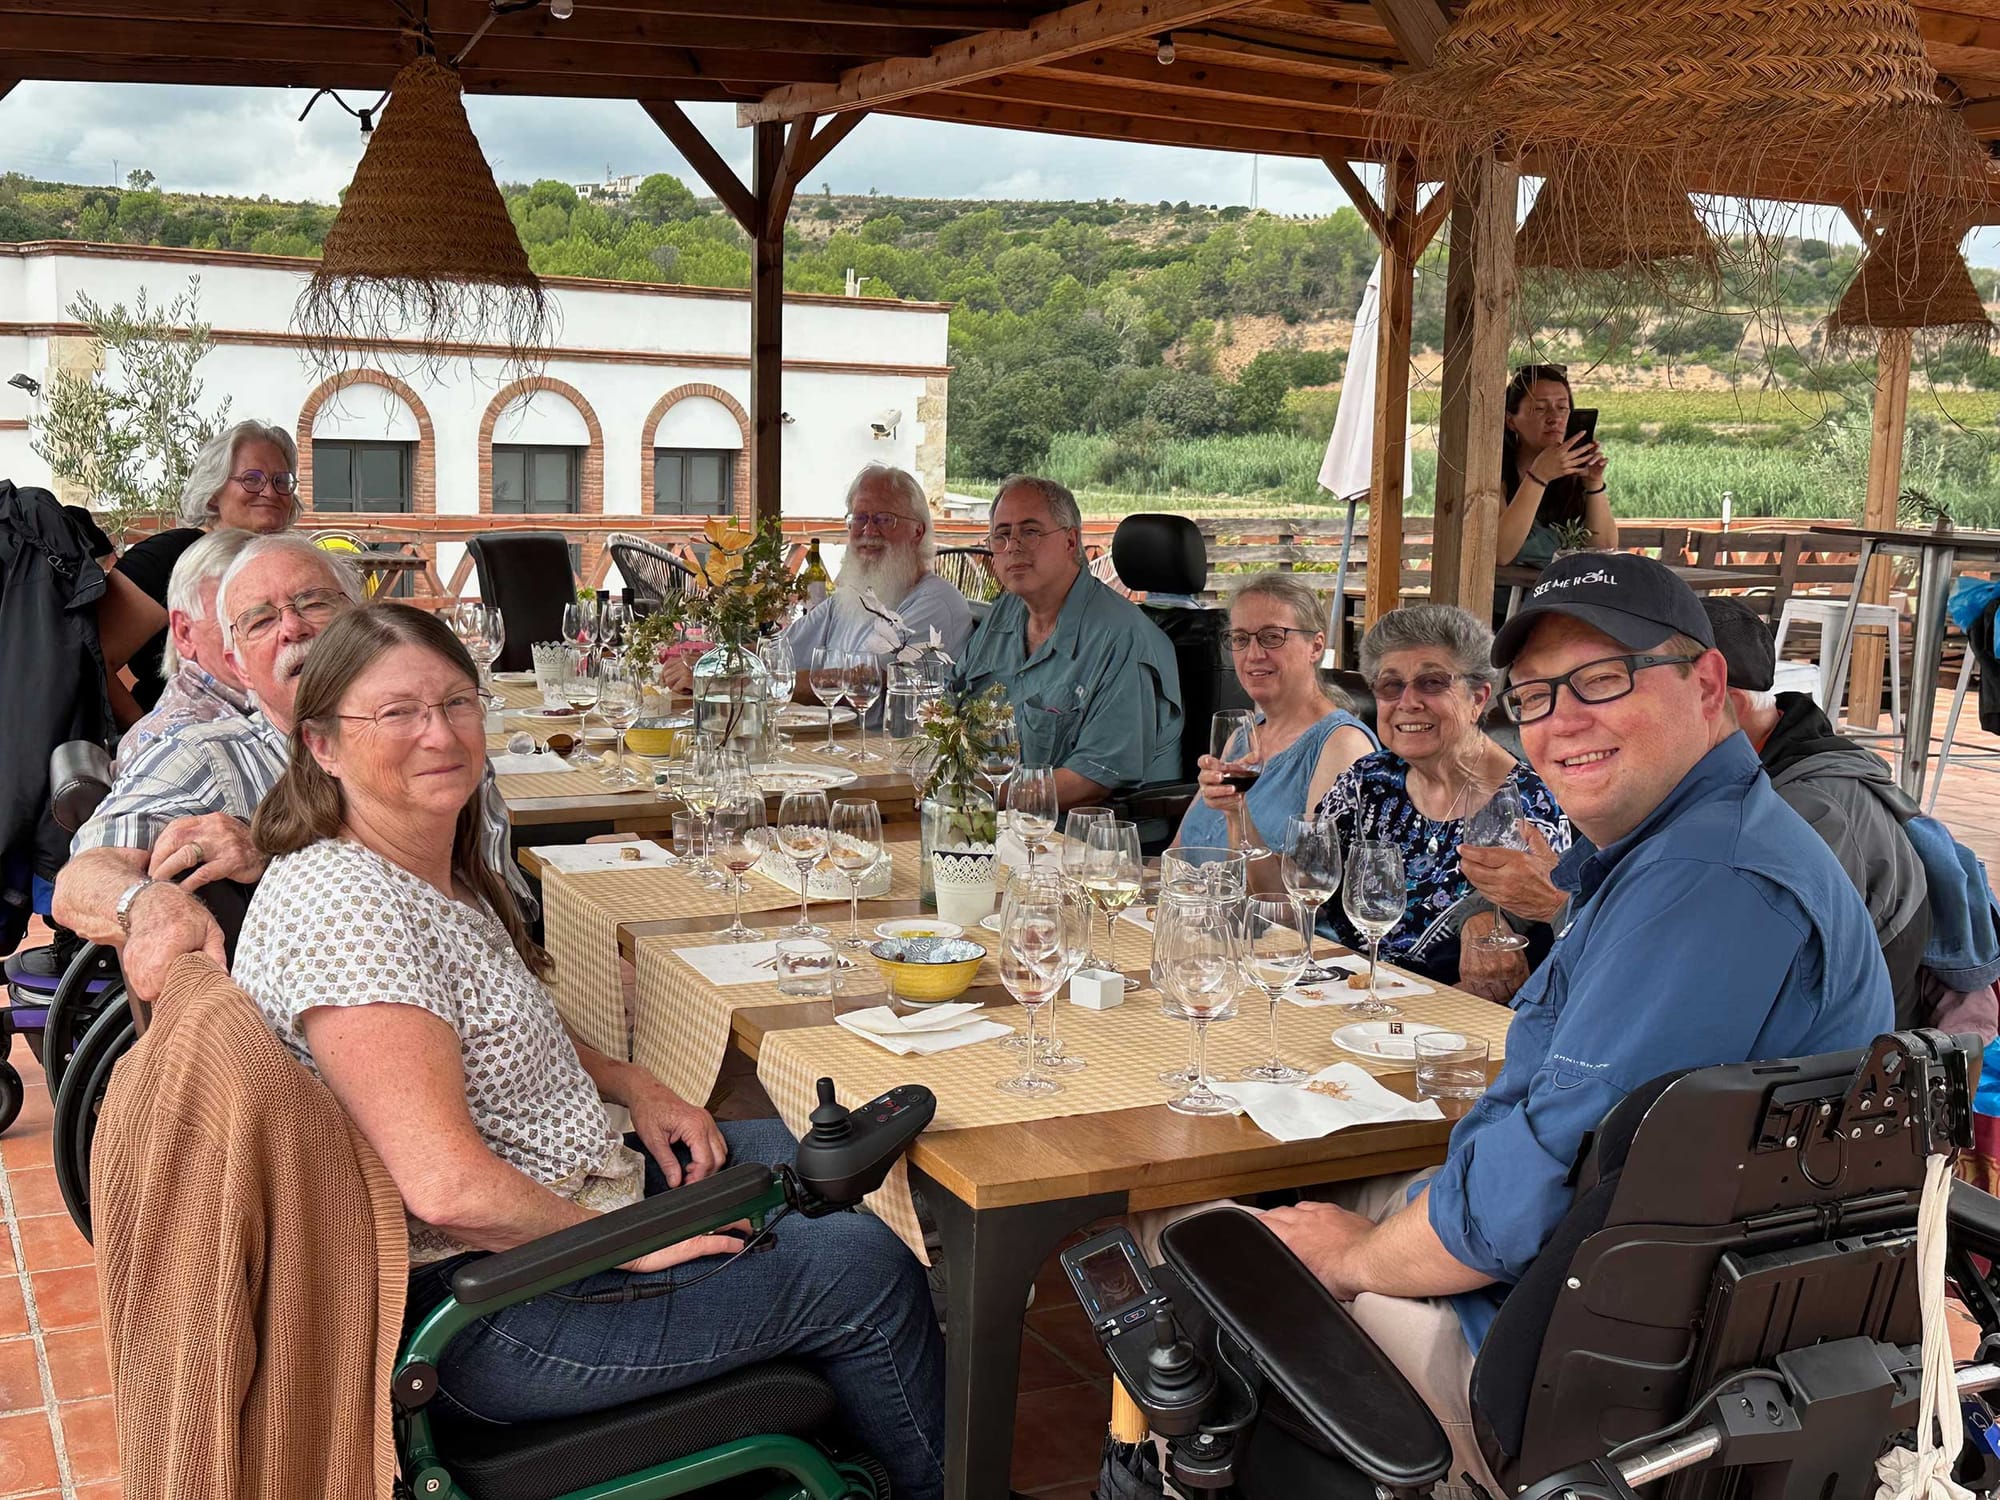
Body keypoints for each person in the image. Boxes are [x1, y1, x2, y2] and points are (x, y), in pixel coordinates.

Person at [232, 605, 945, 1497]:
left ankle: (867, 1426)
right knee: (863, 1271)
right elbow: (445, 1188)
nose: (440, 733)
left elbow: (491, 1015)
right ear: (322, 745)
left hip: (563, 1200)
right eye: (398, 713)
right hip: (489, 1308)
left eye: (457, 702)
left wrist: (633, 1083)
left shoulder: (414, 863)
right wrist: (620, 1241)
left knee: (823, 1162)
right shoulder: (349, 911)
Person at [1261, 553, 1894, 1488]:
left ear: (1708, 683)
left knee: (1199, 1235)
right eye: (1534, 697)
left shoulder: (1710, 885)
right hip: (1647, 1308)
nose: (1562, 722)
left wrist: (1355, 1257)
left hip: (1588, 1377)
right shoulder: (1677, 848)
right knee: (1329, 1193)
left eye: (1602, 679)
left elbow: (1525, 1195)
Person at [54, 535, 533, 1000]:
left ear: (360, 621)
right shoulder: (209, 756)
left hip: (498, 998)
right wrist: (149, 905)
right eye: (260, 621)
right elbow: (85, 873)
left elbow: (506, 911)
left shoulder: (440, 738)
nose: (292, 628)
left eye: (314, 603)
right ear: (237, 665)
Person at [1309, 605, 1568, 993]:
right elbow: (1304, 885)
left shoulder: (1528, 805)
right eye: (1390, 685)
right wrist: (1234, 812)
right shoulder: (1366, 783)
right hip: (1347, 992)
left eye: (1431, 683)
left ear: (1478, 699)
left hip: (1449, 1016)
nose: (1408, 701)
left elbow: (1531, 962)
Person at [1702, 597, 1930, 1022]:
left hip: (1845, 1058)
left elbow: (1747, 979)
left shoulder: (1804, 808)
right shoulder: (1770, 757)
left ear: (1723, 699)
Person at [953, 475, 1183, 806]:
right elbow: (952, 707)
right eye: (1001, 535)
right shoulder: (1005, 612)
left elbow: (1091, 780)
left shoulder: (1122, 639)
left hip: (1085, 838)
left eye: (1030, 532)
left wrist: (978, 797)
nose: (1013, 545)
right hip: (998, 823)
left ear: (1071, 541)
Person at [1180, 572, 1376, 853]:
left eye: (1271, 637)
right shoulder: (1241, 737)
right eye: (1240, 639)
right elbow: (1175, 851)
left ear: (1316, 646)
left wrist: (1238, 817)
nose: (1254, 654)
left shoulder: (1342, 745)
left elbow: (1311, 885)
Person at [116, 420, 301, 713]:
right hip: (183, 739)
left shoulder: (281, 561)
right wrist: (142, 730)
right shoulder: (170, 555)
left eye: (282, 481)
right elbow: (91, 658)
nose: (270, 492)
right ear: (213, 492)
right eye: (252, 479)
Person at [118, 526, 257, 760]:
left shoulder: (256, 707)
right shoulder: (182, 748)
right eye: (247, 618)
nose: (287, 630)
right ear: (184, 632)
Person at [1498, 364, 1614, 570]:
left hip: (1565, 597)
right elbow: (1501, 553)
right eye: (1540, 408)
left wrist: (1594, 484)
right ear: (1510, 421)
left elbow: (1603, 551)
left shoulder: (1573, 476)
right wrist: (1538, 477)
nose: (1555, 418)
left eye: (1562, 408)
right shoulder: (1495, 475)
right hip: (1508, 599)